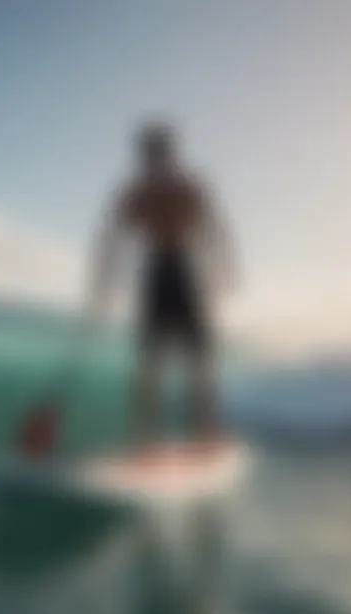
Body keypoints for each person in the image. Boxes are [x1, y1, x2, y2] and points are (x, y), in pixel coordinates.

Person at [89, 122, 237, 443]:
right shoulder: (136, 193)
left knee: (197, 356)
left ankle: (204, 433)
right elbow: (112, 238)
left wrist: (224, 268)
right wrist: (103, 280)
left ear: (169, 154)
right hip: (159, 269)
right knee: (153, 358)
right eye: (148, 154)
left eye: (157, 153)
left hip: (183, 268)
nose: (152, 160)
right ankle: (147, 437)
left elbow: (215, 230)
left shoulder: (188, 188)